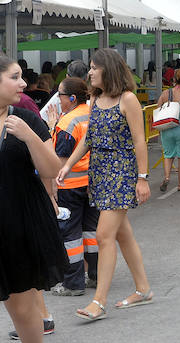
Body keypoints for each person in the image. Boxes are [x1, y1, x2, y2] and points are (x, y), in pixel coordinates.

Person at [56, 48, 153, 321]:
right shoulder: (96, 99)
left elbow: (139, 141)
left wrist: (143, 179)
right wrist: (67, 165)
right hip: (99, 174)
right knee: (122, 234)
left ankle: (99, 302)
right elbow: (88, 139)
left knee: (103, 236)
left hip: (121, 174)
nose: (89, 72)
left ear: (107, 70)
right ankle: (143, 289)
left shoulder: (128, 99)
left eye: (93, 68)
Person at [0, 56, 68, 342]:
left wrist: (29, 137)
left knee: (23, 310)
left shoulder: (26, 117)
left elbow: (52, 169)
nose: (23, 83)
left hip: (19, 226)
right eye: (15, 77)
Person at [49, 77, 100, 297]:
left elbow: (59, 160)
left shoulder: (66, 123)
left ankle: (73, 283)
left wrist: (52, 127)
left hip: (69, 185)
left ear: (71, 97)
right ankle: (96, 274)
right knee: (91, 231)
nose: (57, 99)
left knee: (70, 235)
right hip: (92, 184)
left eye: (59, 94)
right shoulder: (92, 113)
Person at [156, 69, 180, 192]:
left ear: (173, 80)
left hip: (167, 128)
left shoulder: (165, 94)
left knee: (168, 155)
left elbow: (158, 109)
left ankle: (167, 177)